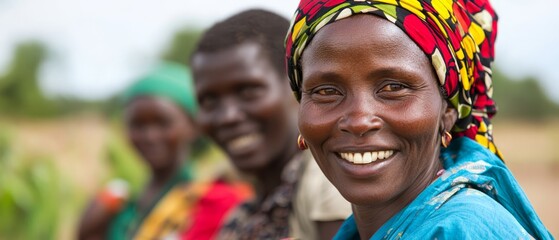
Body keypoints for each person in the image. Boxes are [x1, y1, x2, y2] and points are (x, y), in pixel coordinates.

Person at [285, 0, 554, 239]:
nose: (358, 121)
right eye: (326, 92)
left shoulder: (461, 231)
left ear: (448, 112)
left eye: (393, 87)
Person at [191, 9, 352, 240]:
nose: (228, 116)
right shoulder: (240, 220)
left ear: (296, 85)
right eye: (209, 101)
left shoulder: (330, 182)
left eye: (248, 91)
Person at [77, 63, 247, 240]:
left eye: (162, 123)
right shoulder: (117, 209)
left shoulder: (212, 203)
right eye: (137, 124)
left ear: (193, 127)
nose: (149, 136)